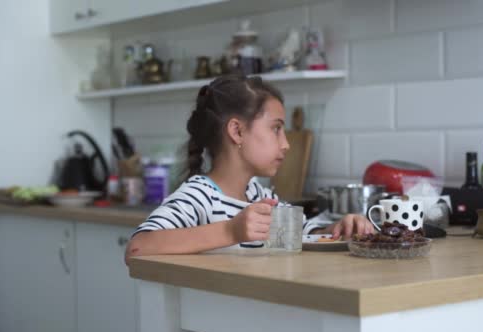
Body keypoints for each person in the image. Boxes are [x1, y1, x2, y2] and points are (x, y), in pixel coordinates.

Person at [125, 75, 373, 264]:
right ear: (237, 131)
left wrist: (337, 229)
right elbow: (138, 247)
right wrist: (230, 230)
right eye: (276, 128)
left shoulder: (258, 196)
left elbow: (305, 232)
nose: (286, 144)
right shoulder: (199, 197)